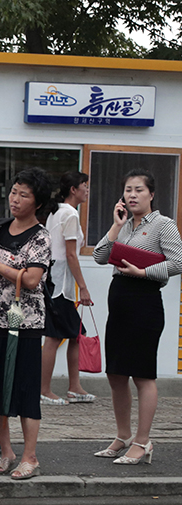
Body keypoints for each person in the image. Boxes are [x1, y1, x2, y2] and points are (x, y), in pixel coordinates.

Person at [0, 168, 55, 480]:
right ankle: (6, 451)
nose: (15, 199)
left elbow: (31, 279)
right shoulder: (0, 227)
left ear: (38, 202)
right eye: (14, 192)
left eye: (24, 195)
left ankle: (30, 456)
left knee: (25, 391)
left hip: (24, 325)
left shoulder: (41, 237)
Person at [92, 169, 182, 464]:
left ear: (151, 194)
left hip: (144, 301)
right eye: (128, 190)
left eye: (139, 190)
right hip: (119, 301)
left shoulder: (163, 225)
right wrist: (116, 227)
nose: (132, 195)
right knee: (116, 373)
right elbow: (99, 257)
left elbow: (178, 262)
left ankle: (143, 442)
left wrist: (143, 272)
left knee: (142, 374)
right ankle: (122, 436)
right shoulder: (125, 225)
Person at [41, 171, 95, 405]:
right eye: (84, 185)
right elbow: (71, 255)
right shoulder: (70, 214)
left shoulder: (56, 212)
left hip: (53, 280)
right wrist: (83, 287)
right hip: (60, 285)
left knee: (76, 334)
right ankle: (44, 389)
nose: (87, 190)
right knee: (54, 337)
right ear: (73, 189)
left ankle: (75, 387)